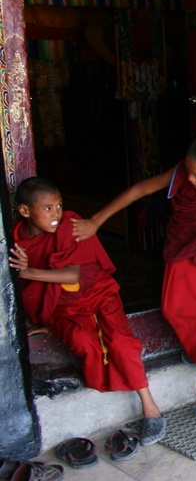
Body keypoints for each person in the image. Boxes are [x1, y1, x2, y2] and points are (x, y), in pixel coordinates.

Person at [72, 133, 196, 417]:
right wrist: (95, 221)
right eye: (189, 173)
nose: (191, 181)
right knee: (172, 308)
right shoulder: (183, 173)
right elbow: (139, 190)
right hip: (184, 251)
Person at [12, 178, 165, 444]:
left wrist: (29, 272)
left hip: (98, 295)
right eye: (47, 208)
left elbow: (76, 272)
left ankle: (150, 408)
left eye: (59, 206)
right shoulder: (16, 242)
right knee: (84, 341)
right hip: (63, 307)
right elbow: (27, 287)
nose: (56, 214)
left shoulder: (71, 225)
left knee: (121, 342)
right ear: (25, 211)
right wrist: (47, 316)